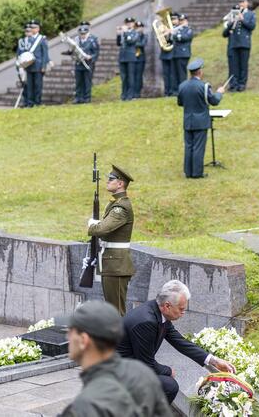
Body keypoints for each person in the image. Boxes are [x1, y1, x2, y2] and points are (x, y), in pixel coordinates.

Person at [117, 280, 236, 404]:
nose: (183, 313)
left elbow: (180, 342)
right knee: (169, 386)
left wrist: (214, 361)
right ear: (167, 306)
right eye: (181, 309)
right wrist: (168, 371)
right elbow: (146, 364)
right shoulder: (146, 321)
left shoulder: (156, 311)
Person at [57, 301, 171, 417]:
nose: (68, 337)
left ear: (83, 340)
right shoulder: (143, 372)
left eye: (70, 331)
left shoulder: (84, 407)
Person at [87, 165, 135, 316]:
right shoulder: (115, 204)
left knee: (116, 312)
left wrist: (92, 225)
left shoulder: (121, 208)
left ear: (120, 183)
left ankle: (120, 340)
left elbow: (101, 230)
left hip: (117, 265)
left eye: (111, 179)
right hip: (112, 263)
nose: (107, 181)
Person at [176, 58, 225, 179]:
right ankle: (197, 173)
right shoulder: (204, 86)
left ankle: (188, 172)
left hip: (188, 120)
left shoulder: (182, 86)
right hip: (201, 121)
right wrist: (219, 92)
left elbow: (180, 102)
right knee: (198, 147)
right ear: (200, 72)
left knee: (189, 146)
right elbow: (214, 101)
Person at [224, 0, 256, 91]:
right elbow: (226, 31)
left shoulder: (251, 14)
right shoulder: (233, 14)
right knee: (234, 65)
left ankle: (242, 84)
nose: (241, 4)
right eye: (240, 2)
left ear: (247, 3)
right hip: (234, 42)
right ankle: (233, 84)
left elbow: (252, 27)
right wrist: (232, 21)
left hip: (244, 42)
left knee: (243, 65)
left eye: (243, 2)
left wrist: (242, 19)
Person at [17, 19, 49, 107]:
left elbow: (45, 54)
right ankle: (30, 103)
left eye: (34, 27)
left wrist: (44, 66)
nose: (32, 29)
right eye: (31, 27)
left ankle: (37, 102)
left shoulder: (42, 39)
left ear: (38, 29)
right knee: (30, 86)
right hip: (29, 66)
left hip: (38, 66)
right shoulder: (28, 40)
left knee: (38, 85)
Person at [70, 21, 99, 104]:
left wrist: (91, 57)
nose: (82, 35)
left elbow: (96, 52)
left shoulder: (92, 40)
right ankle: (78, 97)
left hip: (88, 64)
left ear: (87, 33)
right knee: (78, 81)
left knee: (87, 81)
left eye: (84, 34)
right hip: (78, 64)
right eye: (81, 34)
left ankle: (87, 97)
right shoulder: (76, 41)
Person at [117, 17, 140, 101]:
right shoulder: (124, 33)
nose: (129, 24)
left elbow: (131, 41)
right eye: (127, 23)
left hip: (130, 56)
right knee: (124, 77)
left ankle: (130, 95)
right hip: (122, 56)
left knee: (131, 76)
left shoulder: (135, 33)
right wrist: (119, 34)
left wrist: (126, 32)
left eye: (131, 23)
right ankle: (124, 95)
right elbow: (118, 43)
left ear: (133, 24)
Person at [172, 13, 193, 87]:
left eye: (183, 20)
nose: (181, 22)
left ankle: (182, 88)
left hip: (184, 54)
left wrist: (174, 34)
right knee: (175, 73)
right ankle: (176, 89)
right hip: (176, 53)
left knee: (182, 73)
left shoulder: (188, 29)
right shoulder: (177, 29)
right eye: (180, 20)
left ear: (186, 21)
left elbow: (185, 38)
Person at [160, 13, 179, 97]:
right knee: (166, 74)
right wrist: (164, 35)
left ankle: (173, 91)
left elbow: (177, 41)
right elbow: (161, 41)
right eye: (171, 19)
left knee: (173, 74)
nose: (172, 21)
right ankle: (166, 91)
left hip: (174, 53)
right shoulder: (165, 29)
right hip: (165, 54)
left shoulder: (178, 29)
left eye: (174, 19)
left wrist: (171, 33)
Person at [223, 4, 239, 90]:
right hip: (231, 46)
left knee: (240, 66)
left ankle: (239, 84)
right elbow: (224, 34)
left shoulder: (240, 21)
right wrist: (230, 24)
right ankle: (232, 84)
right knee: (232, 67)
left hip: (239, 45)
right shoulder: (228, 22)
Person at [133, 20, 148, 99]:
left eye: (140, 27)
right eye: (137, 27)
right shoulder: (133, 35)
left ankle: (137, 93)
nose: (139, 29)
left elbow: (142, 44)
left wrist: (133, 42)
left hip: (140, 58)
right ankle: (132, 92)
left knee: (139, 76)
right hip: (132, 57)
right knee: (132, 76)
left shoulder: (144, 36)